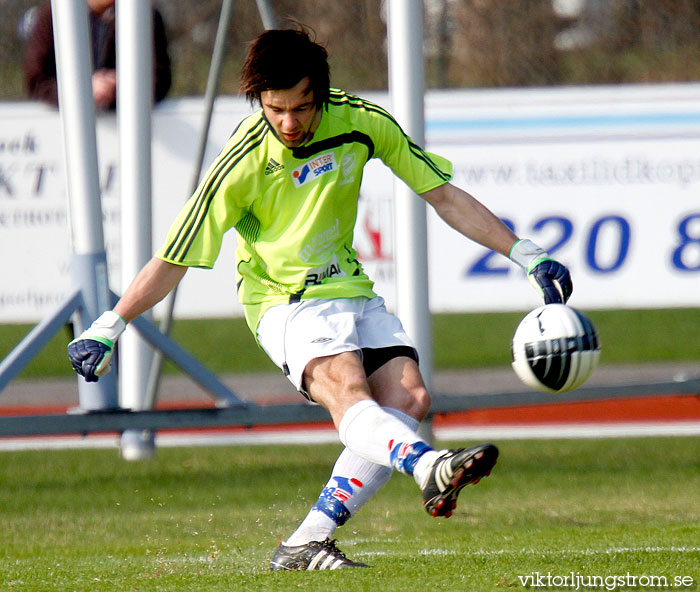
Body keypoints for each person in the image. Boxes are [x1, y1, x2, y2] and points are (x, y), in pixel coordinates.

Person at [67, 25, 572, 571]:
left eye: (301, 107)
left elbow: (443, 195)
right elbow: (173, 258)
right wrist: (109, 325)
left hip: (350, 288)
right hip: (284, 302)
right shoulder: (239, 165)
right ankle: (428, 467)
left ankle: (305, 542)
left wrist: (525, 253)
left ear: (322, 94)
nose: (288, 123)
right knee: (350, 391)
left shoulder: (362, 123)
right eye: (274, 109)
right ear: (259, 101)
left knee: (408, 403)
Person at [23, 0, 171, 109]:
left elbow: (161, 78)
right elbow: (36, 81)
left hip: (130, 133)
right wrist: (82, 91)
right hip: (63, 133)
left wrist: (118, 87)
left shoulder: (144, 15)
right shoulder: (53, 16)